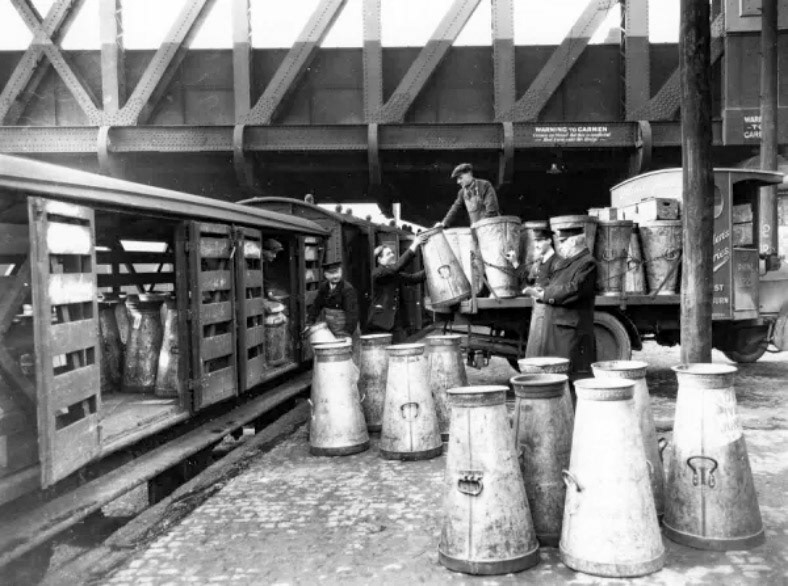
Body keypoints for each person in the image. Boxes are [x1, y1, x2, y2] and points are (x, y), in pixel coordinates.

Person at [529, 226, 597, 379]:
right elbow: (556, 284)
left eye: (563, 241)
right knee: (556, 374)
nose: (559, 246)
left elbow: (575, 289)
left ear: (573, 242)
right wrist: (542, 290)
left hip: (569, 331)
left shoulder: (587, 263)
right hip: (559, 328)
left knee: (569, 374)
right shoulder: (569, 262)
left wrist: (545, 294)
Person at [506, 227, 559, 357]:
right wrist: (515, 262)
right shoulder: (540, 261)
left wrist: (542, 291)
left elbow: (559, 288)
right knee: (535, 346)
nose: (536, 244)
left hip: (550, 311)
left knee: (545, 349)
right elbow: (528, 279)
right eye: (535, 241)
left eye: (540, 241)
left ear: (549, 241)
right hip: (538, 309)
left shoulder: (558, 262)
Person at [366, 234, 426, 343]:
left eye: (392, 253)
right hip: (381, 323)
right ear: (380, 259)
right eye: (388, 254)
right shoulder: (378, 273)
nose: (392, 255)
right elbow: (397, 267)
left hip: (396, 323)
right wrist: (415, 244)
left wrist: (431, 269)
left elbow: (413, 279)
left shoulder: (393, 274)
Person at [306, 260, 359, 340]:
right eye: (331, 273)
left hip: (346, 331)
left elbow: (352, 314)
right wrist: (309, 322)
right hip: (331, 330)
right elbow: (316, 306)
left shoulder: (347, 289)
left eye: (337, 272)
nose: (335, 276)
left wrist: (347, 334)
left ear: (341, 271)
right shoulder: (324, 288)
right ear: (325, 274)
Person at [436, 163, 500, 228]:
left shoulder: (485, 185)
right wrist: (444, 223)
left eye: (460, 178)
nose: (458, 182)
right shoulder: (462, 192)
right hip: (477, 229)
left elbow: (492, 211)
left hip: (493, 227)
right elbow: (454, 208)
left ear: (469, 174)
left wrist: (480, 225)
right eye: (457, 179)